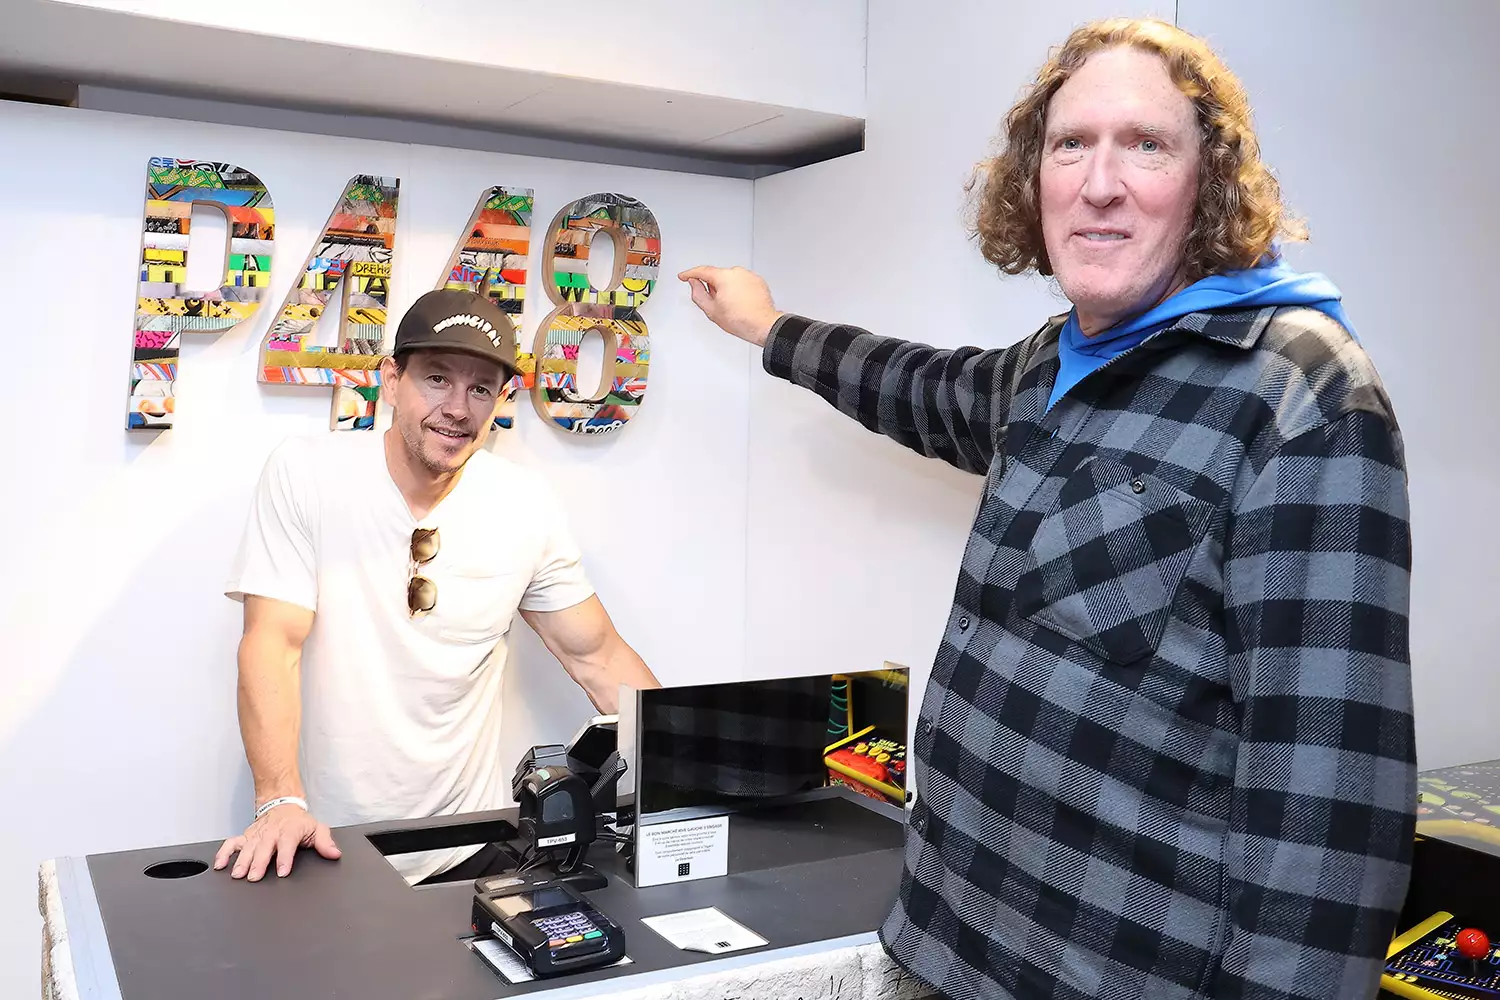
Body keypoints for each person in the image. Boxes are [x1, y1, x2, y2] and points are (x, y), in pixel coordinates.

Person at [680, 17, 1415, 1000]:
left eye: (1145, 144)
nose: (1099, 182)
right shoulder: (1048, 363)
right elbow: (920, 386)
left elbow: (1331, 810)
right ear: (1034, 177)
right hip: (948, 943)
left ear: (1208, 182)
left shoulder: (1299, 395)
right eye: (1072, 144)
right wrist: (769, 328)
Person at [214, 288, 660, 886]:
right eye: (437, 378)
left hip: (467, 849)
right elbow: (273, 642)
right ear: (391, 380)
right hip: (322, 841)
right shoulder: (307, 473)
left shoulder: (523, 504)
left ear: (500, 401)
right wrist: (278, 800)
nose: (457, 407)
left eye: (480, 388)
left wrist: (691, 770)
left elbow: (598, 657)